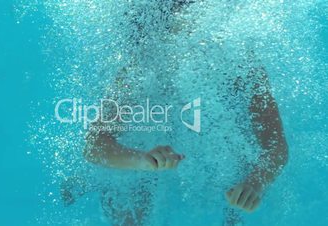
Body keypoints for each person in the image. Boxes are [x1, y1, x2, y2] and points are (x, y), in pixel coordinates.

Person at [80, 1, 288, 225]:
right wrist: (142, 160)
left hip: (212, 141)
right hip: (150, 139)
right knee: (128, 210)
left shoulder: (240, 62)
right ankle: (82, 182)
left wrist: (255, 183)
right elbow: (94, 145)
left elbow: (275, 147)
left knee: (238, 200)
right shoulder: (140, 66)